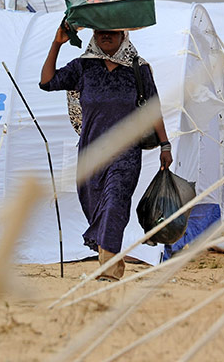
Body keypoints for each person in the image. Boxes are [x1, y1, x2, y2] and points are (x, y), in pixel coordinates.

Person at [40, 23, 172, 281]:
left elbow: (152, 108)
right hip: (90, 154)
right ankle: (111, 261)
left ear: (124, 35)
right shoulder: (83, 67)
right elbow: (46, 81)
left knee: (114, 204)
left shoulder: (138, 69)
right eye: (101, 31)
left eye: (112, 31)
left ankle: (109, 273)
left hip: (126, 154)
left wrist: (165, 145)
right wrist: (57, 43)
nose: (106, 35)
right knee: (97, 210)